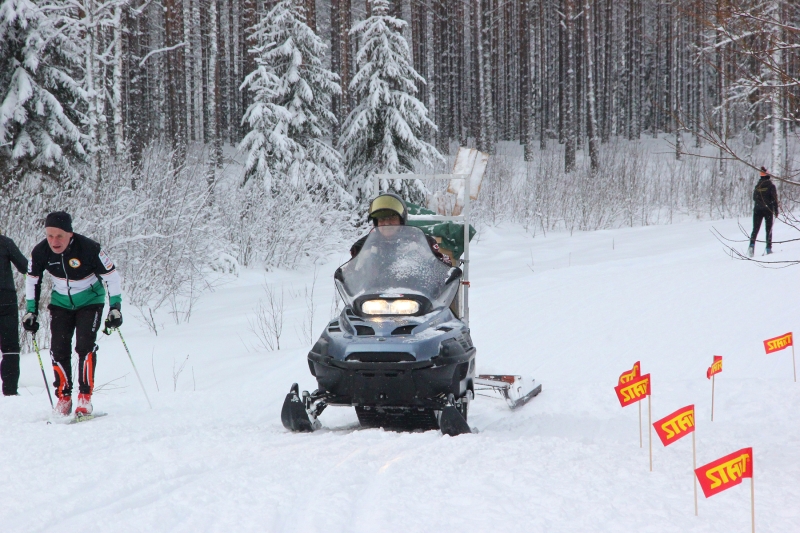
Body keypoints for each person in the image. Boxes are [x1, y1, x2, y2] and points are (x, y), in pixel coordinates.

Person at [21, 212, 123, 416]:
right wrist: (31, 312)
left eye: (59, 236)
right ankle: (64, 398)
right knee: (58, 349)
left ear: (70, 234)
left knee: (84, 346)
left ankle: (85, 398)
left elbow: (112, 277)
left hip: (90, 301)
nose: (54, 241)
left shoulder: (89, 248)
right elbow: (32, 280)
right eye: (49, 235)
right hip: (61, 303)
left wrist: (115, 307)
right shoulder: (41, 252)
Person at [350, 193, 452, 266]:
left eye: (392, 218)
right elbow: (350, 274)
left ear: (401, 220)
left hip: (413, 294)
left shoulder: (421, 241)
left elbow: (443, 265)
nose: (387, 223)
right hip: (373, 294)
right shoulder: (363, 246)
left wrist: (429, 259)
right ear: (376, 223)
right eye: (381, 219)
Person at [0, 233, 28, 396]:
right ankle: (10, 390)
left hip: (7, 298)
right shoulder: (5, 242)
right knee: (10, 346)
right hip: (6, 297)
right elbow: (25, 267)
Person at [748, 167, 779, 257]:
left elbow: (754, 198)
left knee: (755, 229)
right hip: (768, 210)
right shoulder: (771, 186)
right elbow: (774, 199)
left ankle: (751, 246)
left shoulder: (757, 186)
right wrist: (775, 210)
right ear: (768, 176)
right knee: (768, 229)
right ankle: (768, 248)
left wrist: (760, 203)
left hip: (757, 210)